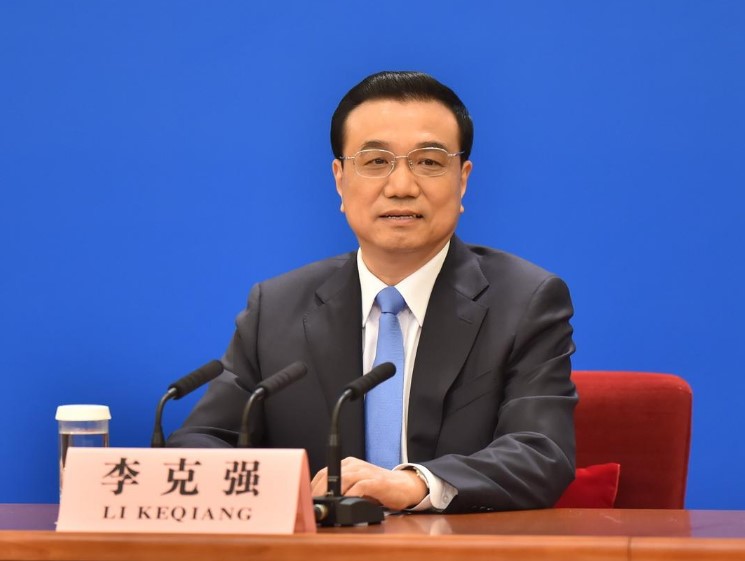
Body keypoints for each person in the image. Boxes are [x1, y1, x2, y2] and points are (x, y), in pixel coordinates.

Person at [168, 71, 577, 514]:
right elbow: (201, 441)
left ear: (462, 180)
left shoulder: (525, 301)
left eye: (429, 162)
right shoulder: (276, 308)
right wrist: (290, 495)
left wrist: (415, 484)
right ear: (340, 180)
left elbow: (540, 453)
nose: (401, 187)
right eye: (376, 161)